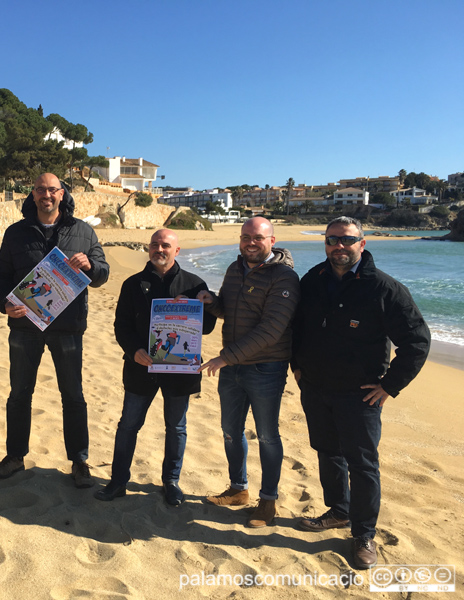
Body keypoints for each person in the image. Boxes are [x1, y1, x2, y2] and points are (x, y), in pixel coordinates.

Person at [291, 216, 430, 570]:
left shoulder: (384, 289)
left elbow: (417, 341)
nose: (339, 246)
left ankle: (363, 533)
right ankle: (338, 511)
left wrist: (390, 385)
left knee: (363, 465)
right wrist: (298, 363)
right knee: (327, 453)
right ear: (325, 243)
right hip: (316, 387)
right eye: (332, 239)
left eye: (347, 240)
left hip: (361, 395)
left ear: (362, 244)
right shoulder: (313, 280)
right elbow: (298, 324)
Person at [0, 173, 109, 487]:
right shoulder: (16, 233)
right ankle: (15, 456)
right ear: (33, 194)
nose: (47, 195)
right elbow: (0, 277)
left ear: (61, 194)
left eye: (52, 189)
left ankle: (79, 460)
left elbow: (102, 274)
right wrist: (6, 304)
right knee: (19, 394)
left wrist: (90, 266)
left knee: (73, 395)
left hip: (68, 327)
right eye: (41, 189)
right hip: (24, 326)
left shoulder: (82, 231)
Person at [94, 229, 216, 505]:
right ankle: (118, 481)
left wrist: (198, 310)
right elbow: (121, 325)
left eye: (165, 245)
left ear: (177, 250)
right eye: (155, 245)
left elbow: (207, 328)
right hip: (141, 367)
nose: (159, 250)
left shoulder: (195, 283)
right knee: (128, 425)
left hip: (180, 371)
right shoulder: (132, 283)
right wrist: (134, 350)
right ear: (148, 249)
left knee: (176, 427)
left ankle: (171, 482)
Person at [197, 216, 300, 527]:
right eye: (245, 237)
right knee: (231, 431)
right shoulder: (235, 268)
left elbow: (271, 329)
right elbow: (228, 308)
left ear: (271, 240)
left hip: (266, 368)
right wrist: (210, 302)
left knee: (268, 436)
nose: (250, 243)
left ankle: (268, 501)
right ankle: (238, 489)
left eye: (257, 237)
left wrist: (224, 358)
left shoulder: (284, 278)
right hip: (232, 367)